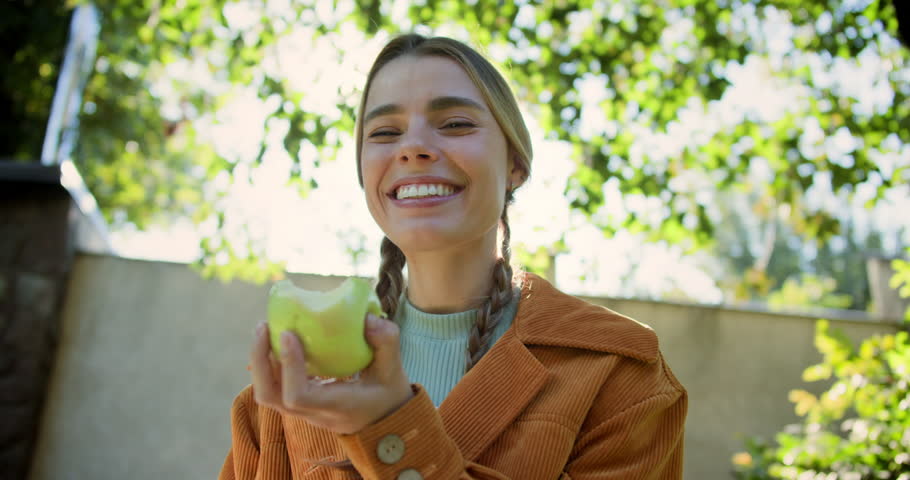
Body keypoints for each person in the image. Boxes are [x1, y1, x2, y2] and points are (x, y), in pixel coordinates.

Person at [220, 33, 687, 480]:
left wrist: (390, 427)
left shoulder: (620, 376)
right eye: (384, 132)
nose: (413, 147)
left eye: (456, 124)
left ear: (515, 165)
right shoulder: (285, 394)